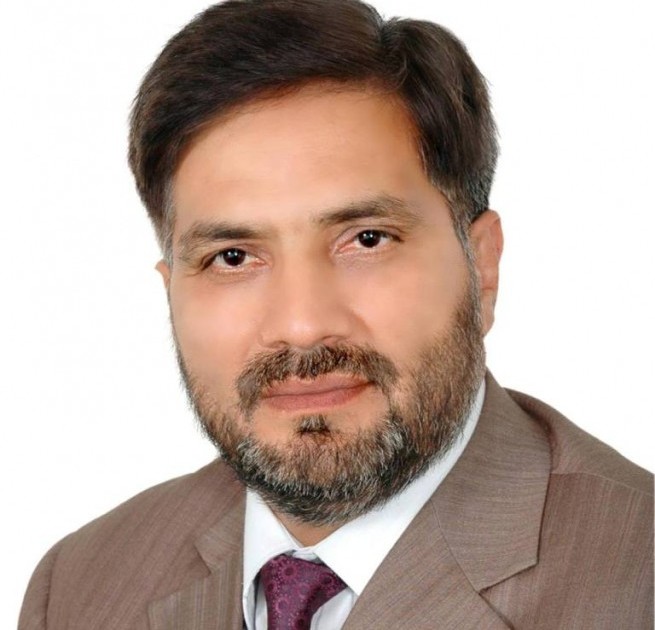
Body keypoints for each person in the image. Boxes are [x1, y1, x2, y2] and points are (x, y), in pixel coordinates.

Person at [19, 0, 653, 628]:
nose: (301, 326)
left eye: (367, 240)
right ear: (171, 290)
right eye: (232, 257)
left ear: (481, 267)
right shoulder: (77, 587)